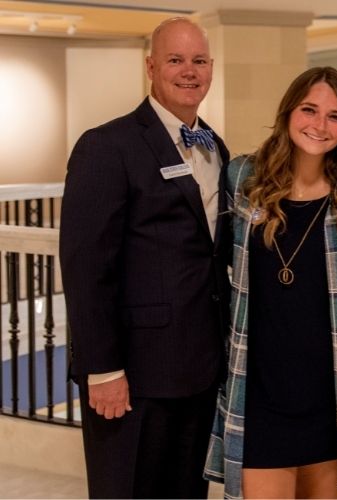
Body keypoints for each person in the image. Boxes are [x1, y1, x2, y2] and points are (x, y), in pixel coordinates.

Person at [59, 17, 229, 498]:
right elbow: (85, 267)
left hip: (200, 369)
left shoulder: (216, 148)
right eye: (175, 60)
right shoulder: (107, 146)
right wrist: (103, 369)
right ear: (151, 67)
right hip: (133, 375)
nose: (189, 71)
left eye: (198, 61)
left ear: (211, 68)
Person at [203, 66, 337, 499]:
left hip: (333, 389)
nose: (320, 125)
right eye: (309, 109)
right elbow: (212, 260)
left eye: (335, 116)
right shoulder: (242, 177)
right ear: (289, 112)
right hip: (259, 390)